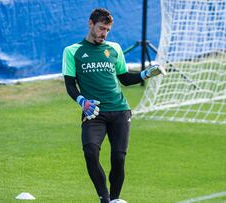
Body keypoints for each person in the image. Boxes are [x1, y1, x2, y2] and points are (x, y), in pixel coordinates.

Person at [62, 8, 165, 203]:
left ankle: (116, 199)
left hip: (119, 111)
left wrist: (146, 74)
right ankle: (104, 197)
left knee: (118, 158)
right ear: (90, 24)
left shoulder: (114, 49)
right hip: (94, 112)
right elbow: (70, 84)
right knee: (90, 151)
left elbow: (124, 78)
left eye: (108, 30)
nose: (104, 34)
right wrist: (82, 102)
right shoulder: (72, 51)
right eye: (101, 28)